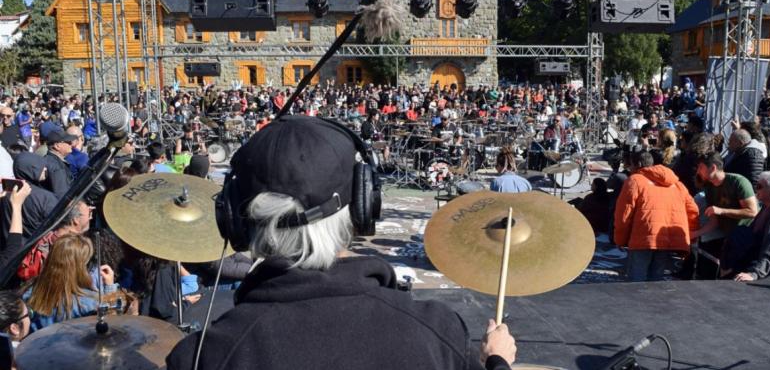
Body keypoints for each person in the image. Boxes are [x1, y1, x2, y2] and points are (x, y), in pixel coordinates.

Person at [166, 115, 517, 370]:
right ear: (364, 206)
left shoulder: (204, 356)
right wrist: (497, 362)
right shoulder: (437, 333)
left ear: (233, 219)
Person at [613, 150, 699, 281]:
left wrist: (620, 239)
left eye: (630, 165)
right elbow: (693, 210)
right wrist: (690, 236)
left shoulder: (635, 181)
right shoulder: (677, 184)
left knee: (635, 281)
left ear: (638, 164)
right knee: (656, 281)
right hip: (665, 239)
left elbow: (623, 215)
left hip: (642, 237)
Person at [23, 234, 118, 331]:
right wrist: (110, 290)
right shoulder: (88, 304)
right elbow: (111, 326)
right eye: (88, 262)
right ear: (80, 267)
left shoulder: (30, 292)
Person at [692, 152, 759, 277]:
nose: (698, 171)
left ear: (713, 168)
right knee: (724, 274)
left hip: (746, 237)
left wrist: (721, 211)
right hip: (728, 237)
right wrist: (694, 234)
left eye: (701, 167)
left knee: (735, 276)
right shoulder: (710, 188)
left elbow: (752, 211)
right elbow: (714, 221)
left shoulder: (738, 181)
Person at [16, 200, 92, 281]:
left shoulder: (48, 235)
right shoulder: (68, 245)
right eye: (89, 214)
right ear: (76, 220)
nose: (91, 217)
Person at [0, 153, 58, 248]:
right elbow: (58, 225)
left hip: (8, 246)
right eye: (39, 166)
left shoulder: (6, 193)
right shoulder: (46, 198)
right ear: (30, 170)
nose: (45, 169)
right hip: (33, 250)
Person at [732, 171, 770, 281]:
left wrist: (755, 274)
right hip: (756, 265)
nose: (755, 189)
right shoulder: (766, 208)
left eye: (759, 187)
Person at [43, 129, 76, 198]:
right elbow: (62, 196)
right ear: (57, 146)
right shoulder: (56, 167)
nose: (71, 144)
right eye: (68, 142)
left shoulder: (50, 160)